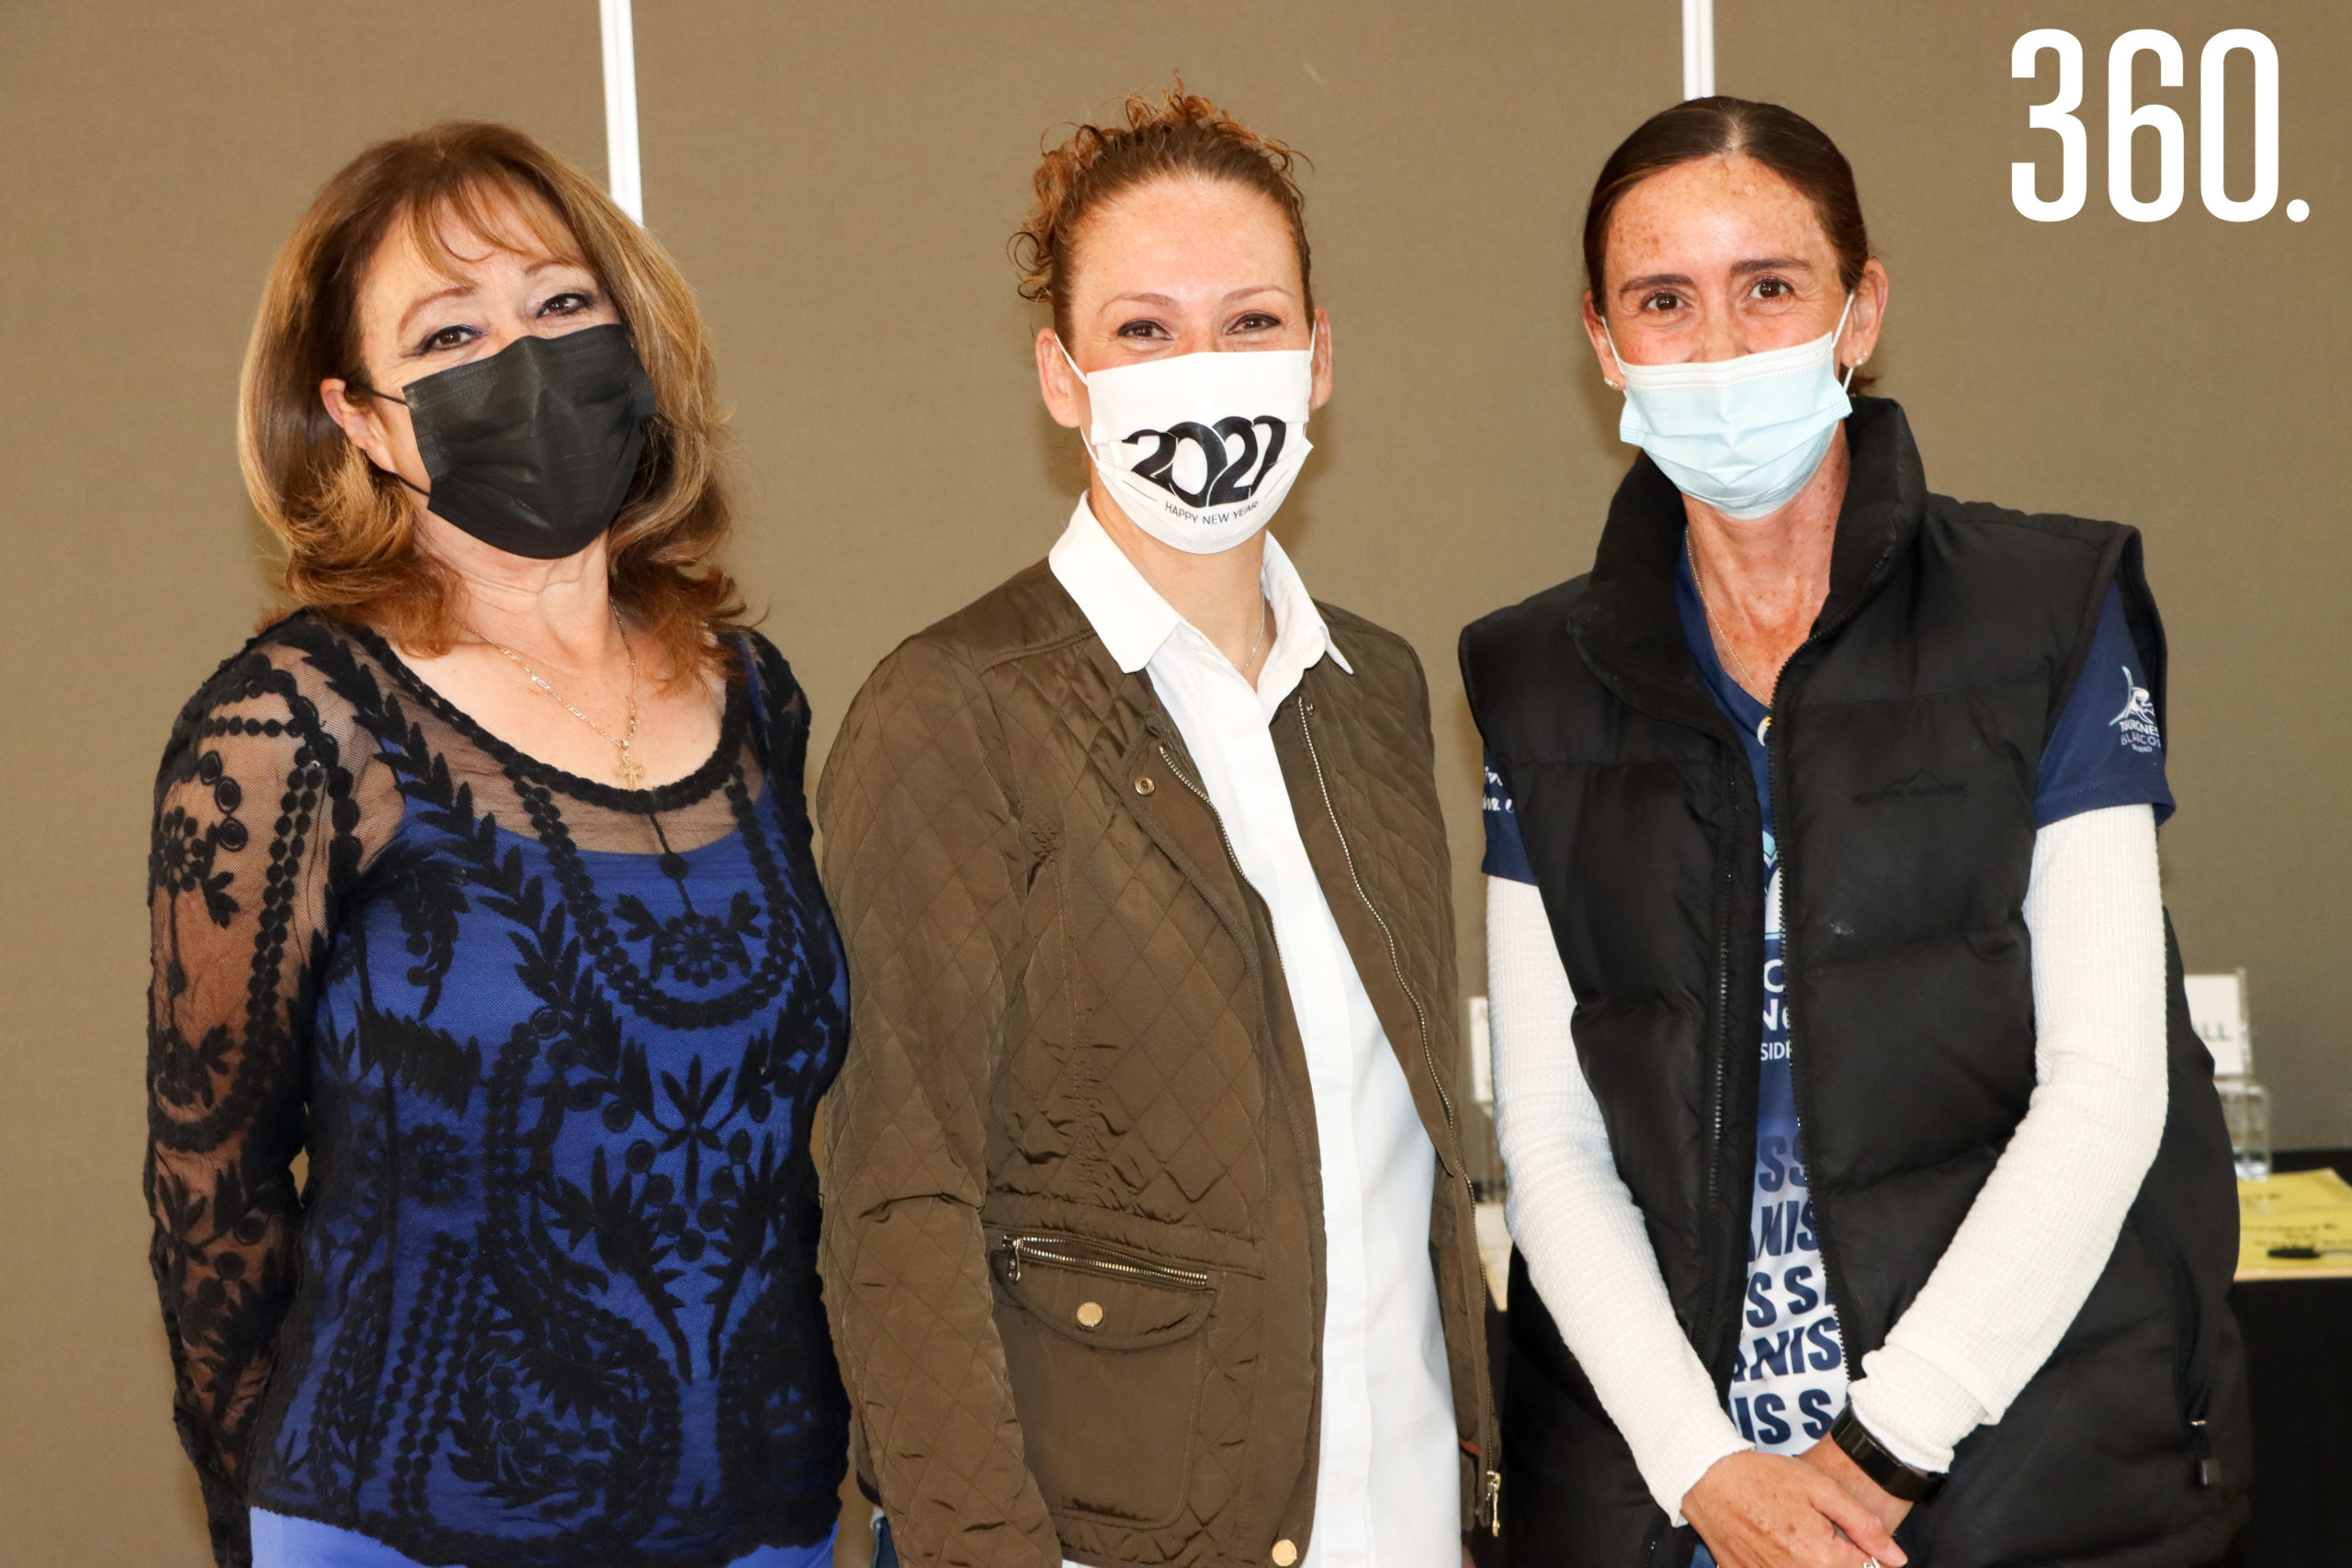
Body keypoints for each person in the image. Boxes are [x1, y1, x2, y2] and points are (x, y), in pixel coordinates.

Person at [1460, 97, 2248, 1568]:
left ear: (1859, 308)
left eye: (1770, 287)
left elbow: (2106, 1086)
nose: (1721, 345)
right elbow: (1552, 1141)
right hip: (1672, 1495)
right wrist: (1704, 1468)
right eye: (1664, 302)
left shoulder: (2049, 614)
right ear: (1605, 340)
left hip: (2013, 1477)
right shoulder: (1533, 682)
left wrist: (1884, 1452)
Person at [144, 123, 850, 1568]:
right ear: (364, 421)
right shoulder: (289, 731)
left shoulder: (757, 694)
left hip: (766, 1525)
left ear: (633, 332)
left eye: (560, 304)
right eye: (451, 331)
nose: (522, 358)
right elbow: (209, 1201)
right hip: (403, 1532)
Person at [817, 88, 1498, 1568]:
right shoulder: (955, 711)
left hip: (1409, 1524)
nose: (1203, 371)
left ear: (1320, 362)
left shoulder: (1373, 687)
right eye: (1144, 330)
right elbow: (896, 1202)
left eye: (1251, 322)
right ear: (1062, 378)